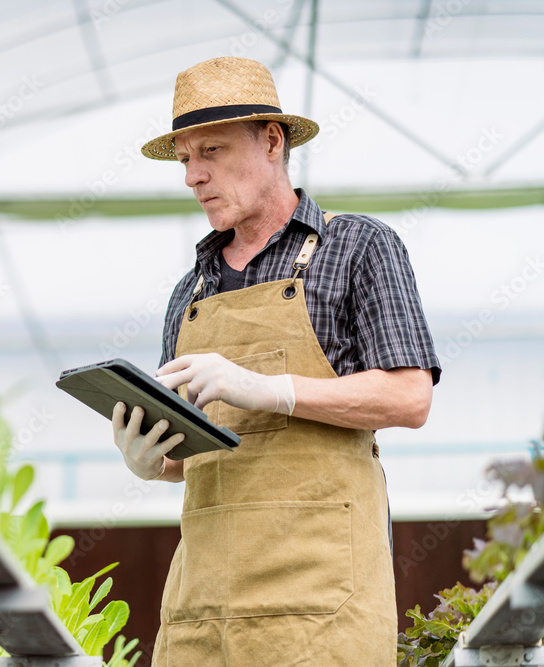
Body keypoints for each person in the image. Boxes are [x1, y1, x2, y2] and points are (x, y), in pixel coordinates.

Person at [110, 57, 440, 666]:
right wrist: (151, 460)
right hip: (201, 613)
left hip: (321, 610)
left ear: (271, 140)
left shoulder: (359, 249)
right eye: (184, 158)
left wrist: (272, 389)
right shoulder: (190, 293)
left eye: (210, 150)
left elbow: (409, 398)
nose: (192, 175)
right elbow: (191, 460)